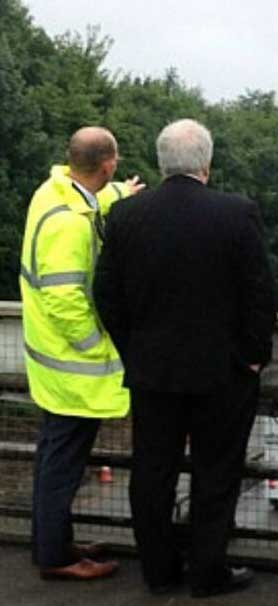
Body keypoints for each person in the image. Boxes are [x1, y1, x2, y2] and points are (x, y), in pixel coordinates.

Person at [93, 119, 276, 598]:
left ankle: (158, 570)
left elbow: (105, 294)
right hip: (223, 373)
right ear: (206, 165)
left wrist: (133, 348)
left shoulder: (126, 215)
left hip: (153, 370)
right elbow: (259, 293)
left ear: (160, 163)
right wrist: (253, 357)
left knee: (152, 471)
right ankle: (208, 572)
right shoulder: (238, 214)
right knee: (217, 472)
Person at [21, 126, 143, 580]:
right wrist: (98, 347)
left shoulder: (53, 193)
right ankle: (55, 557)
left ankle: (55, 542)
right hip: (71, 366)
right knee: (61, 466)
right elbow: (65, 298)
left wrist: (120, 193)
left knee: (56, 456)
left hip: (50, 358)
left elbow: (91, 200)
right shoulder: (69, 225)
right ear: (107, 163)